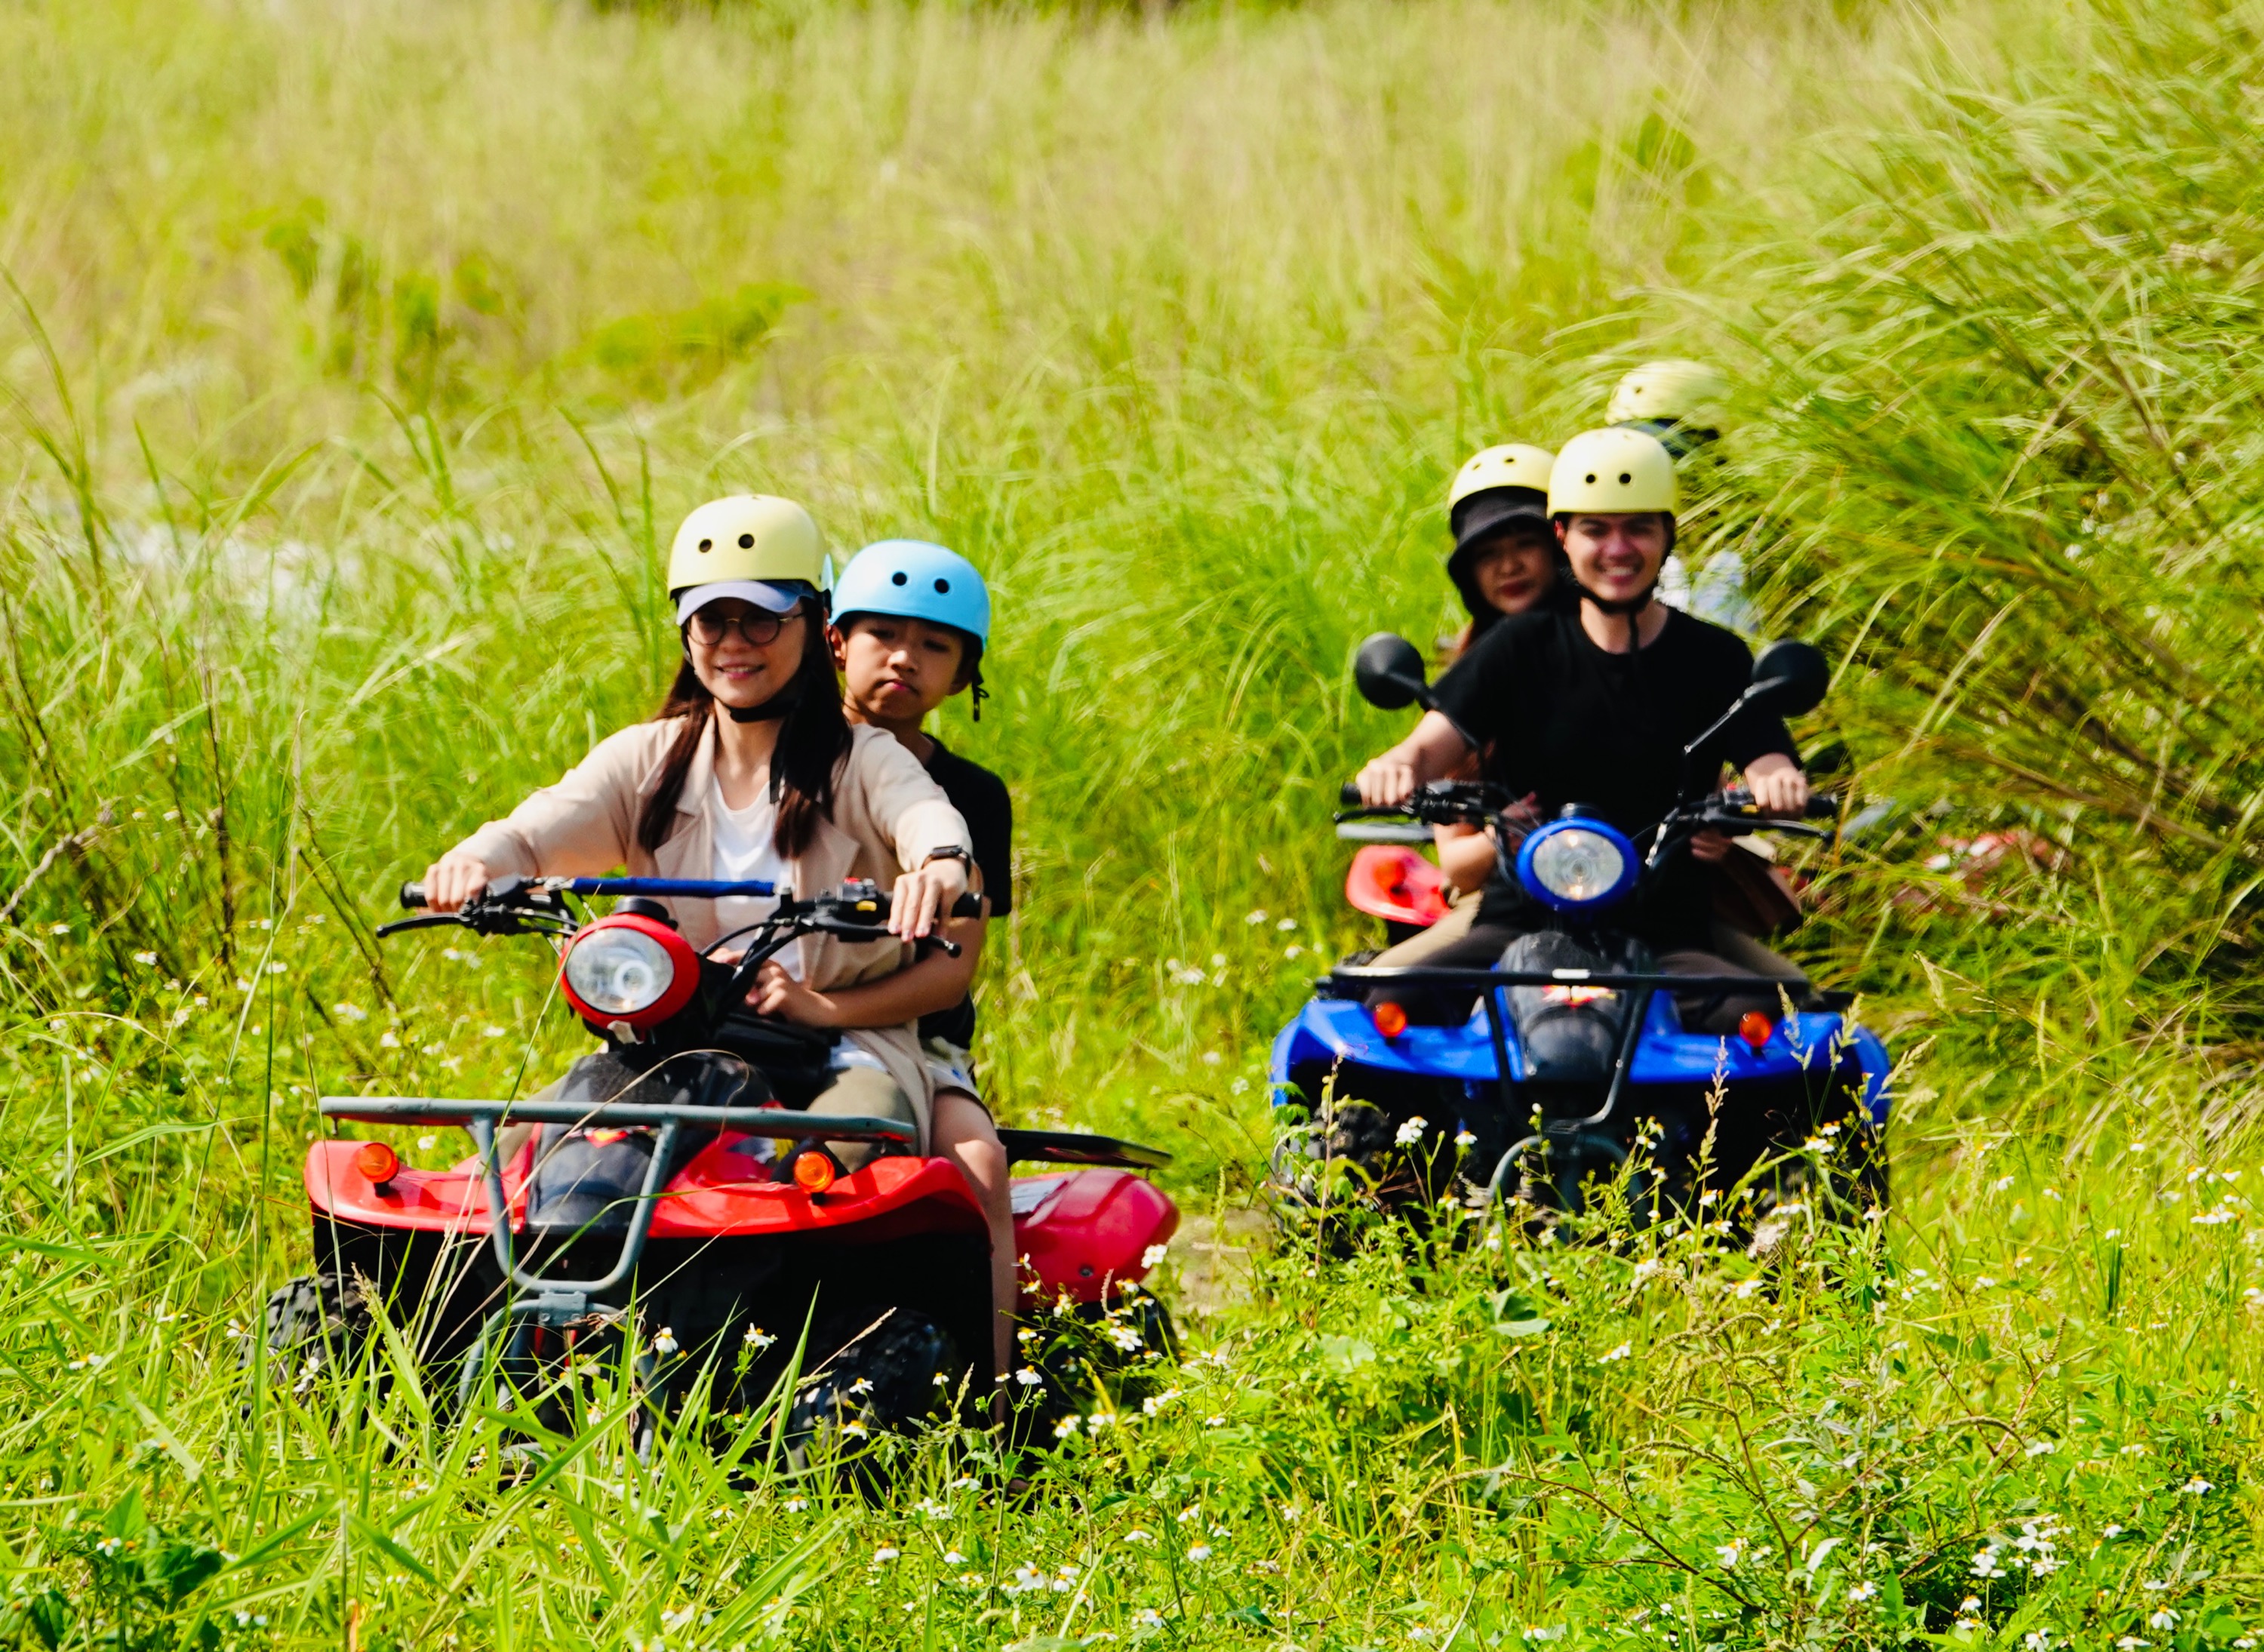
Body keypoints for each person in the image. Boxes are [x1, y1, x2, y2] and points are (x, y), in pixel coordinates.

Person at [420, 493, 976, 1158]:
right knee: (509, 1159)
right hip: (673, 1045)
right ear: (686, 631)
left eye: (762, 620)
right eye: (712, 621)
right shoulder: (647, 758)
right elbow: (535, 830)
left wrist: (941, 865)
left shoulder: (864, 758)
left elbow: (924, 816)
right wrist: (476, 861)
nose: (735, 644)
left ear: (814, 619)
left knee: (844, 1154)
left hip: (843, 1047)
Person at [1353, 427, 1812, 1031]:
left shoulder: (1716, 656)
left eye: (1638, 528)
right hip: (1518, 917)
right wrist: (1396, 768)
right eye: (1596, 529)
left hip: (1666, 928)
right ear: (1564, 538)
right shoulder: (1518, 646)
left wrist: (1774, 785)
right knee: (1372, 1016)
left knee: (1796, 1028)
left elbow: (1768, 757)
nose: (1617, 549)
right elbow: (1429, 744)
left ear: (1668, 536)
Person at [826, 537, 1017, 1386]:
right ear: (836, 642)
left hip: (919, 1041)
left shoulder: (974, 797)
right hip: (764, 1012)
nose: (906, 657)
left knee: (978, 1161)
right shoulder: (783, 758)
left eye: (936, 644)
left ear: (965, 671)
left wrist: (825, 1012)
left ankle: (997, 1390)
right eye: (883, 634)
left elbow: (953, 968)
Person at [1370, 444, 1565, 970]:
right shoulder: (1468, 681)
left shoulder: (1627, 647)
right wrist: (1515, 830)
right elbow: (1457, 865)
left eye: (1527, 542)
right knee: (1365, 1006)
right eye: (1487, 553)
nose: (1509, 564)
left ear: (1562, 544)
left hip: (1632, 893)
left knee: (1781, 1015)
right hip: (1502, 901)